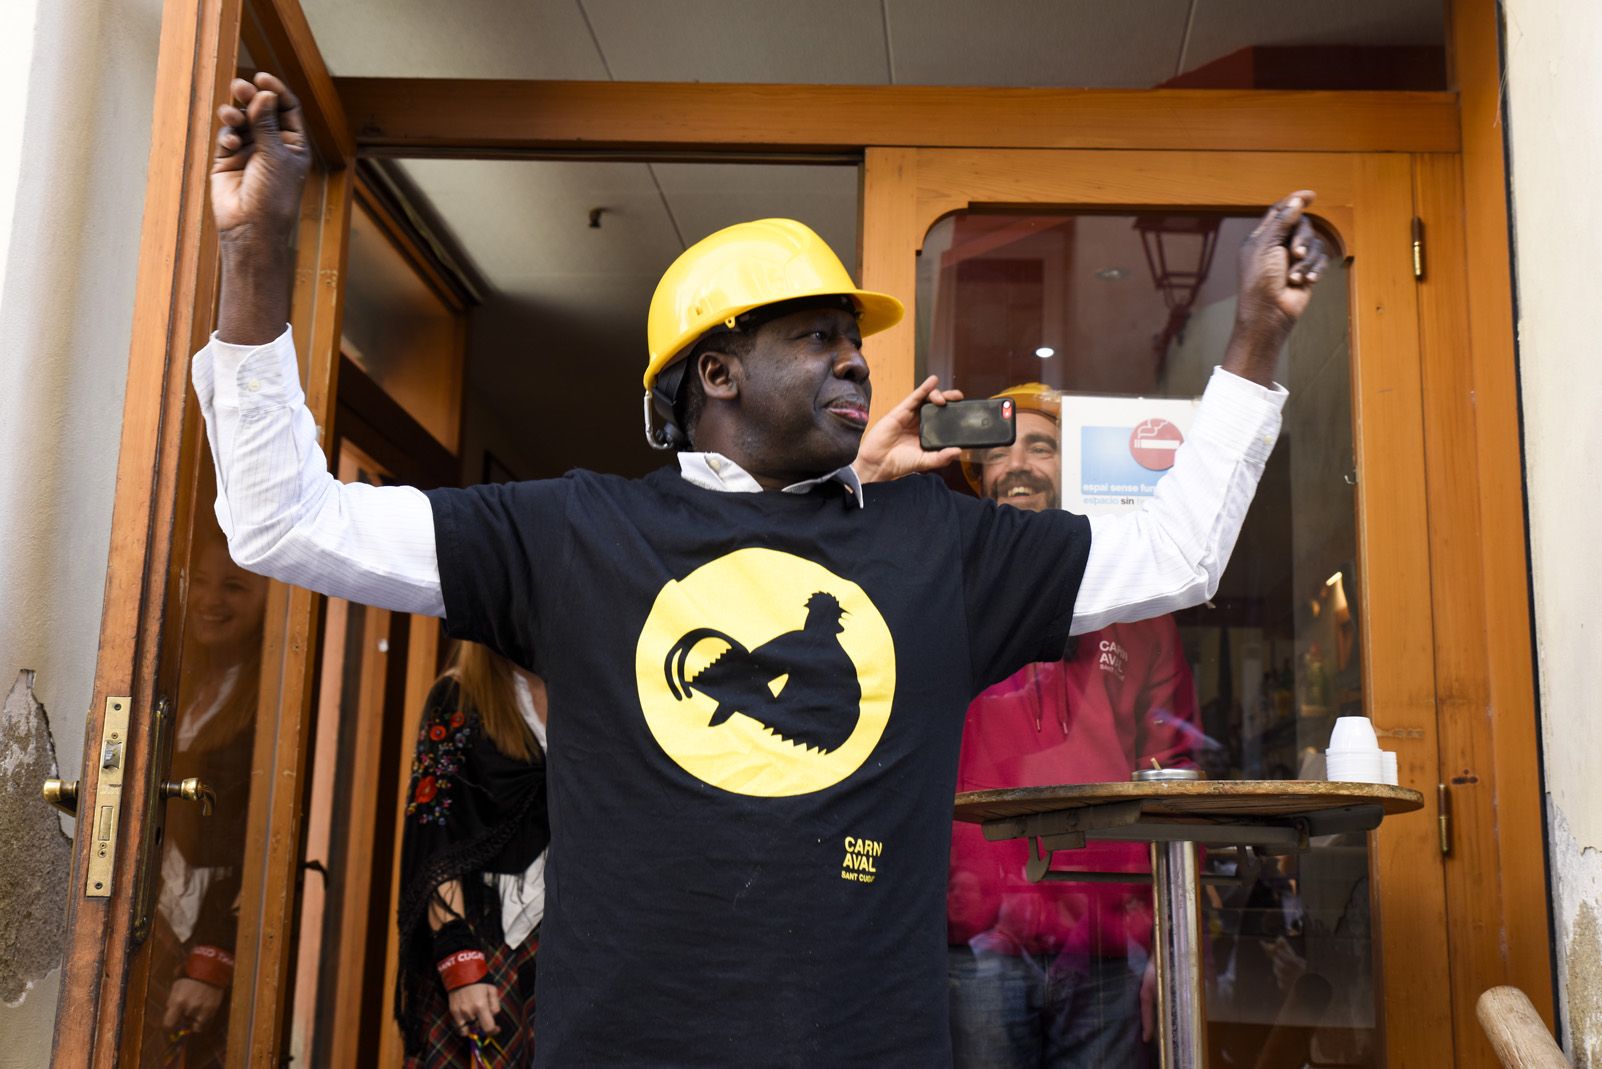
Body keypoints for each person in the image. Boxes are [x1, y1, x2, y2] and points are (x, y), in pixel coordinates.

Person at [196, 72, 1326, 1066]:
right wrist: (257, 252)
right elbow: (284, 522)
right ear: (718, 374)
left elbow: (1178, 554)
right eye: (816, 334)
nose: (855, 356)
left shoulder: (938, 543)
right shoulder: (573, 535)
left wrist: (1256, 341)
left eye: (856, 334)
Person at [942, 383, 1204, 1068]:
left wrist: (1166, 945)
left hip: (1108, 944)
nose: (1018, 463)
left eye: (1042, 445)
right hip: (976, 940)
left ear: (1075, 466)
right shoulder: (944, 597)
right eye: (999, 450)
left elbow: (1175, 773)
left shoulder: (1141, 604)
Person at [396, 641, 549, 1068]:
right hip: (482, 933)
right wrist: (459, 959)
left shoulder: (601, 694)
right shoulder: (460, 695)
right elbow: (433, 832)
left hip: (573, 935)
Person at [147, 531, 268, 1065]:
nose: (209, 600)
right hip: (151, 923)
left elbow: (258, 849)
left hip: (208, 933)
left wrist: (211, 962)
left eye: (234, 587)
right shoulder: (174, 679)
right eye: (200, 582)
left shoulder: (270, 704)